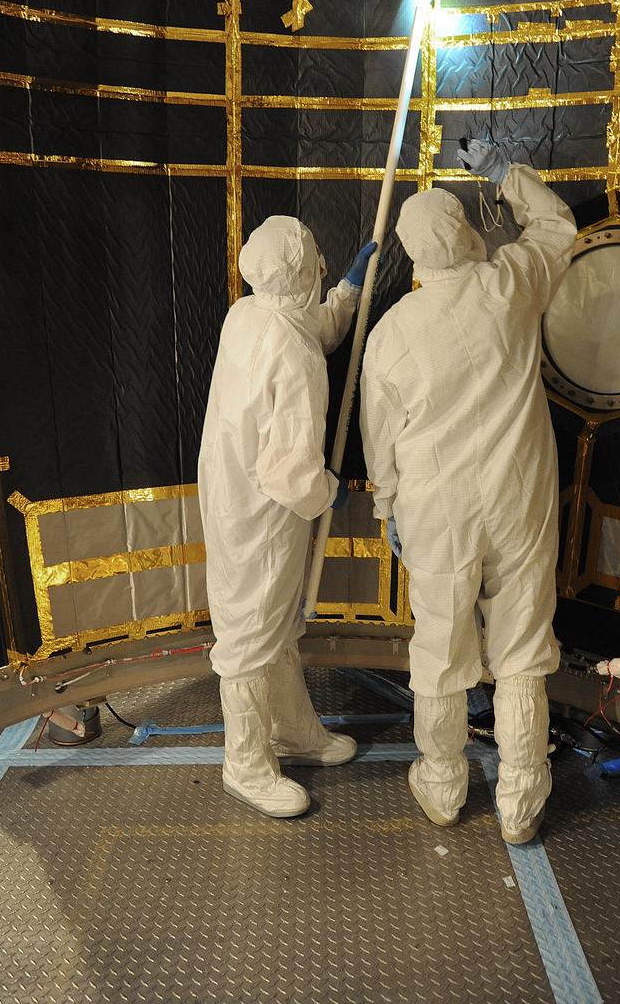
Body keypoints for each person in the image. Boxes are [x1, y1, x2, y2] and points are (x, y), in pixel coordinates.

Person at [360, 141, 577, 843]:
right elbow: (556, 229)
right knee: (520, 649)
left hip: (436, 513)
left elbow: (378, 439)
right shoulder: (508, 284)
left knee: (442, 651)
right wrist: (505, 173)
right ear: (464, 230)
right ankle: (521, 802)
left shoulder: (392, 332)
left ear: (412, 254)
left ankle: (444, 786)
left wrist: (386, 507)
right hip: (519, 502)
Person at [199, 217, 377, 819]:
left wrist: (348, 294)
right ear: (299, 273)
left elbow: (309, 323)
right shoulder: (293, 354)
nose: (323, 268)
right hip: (267, 515)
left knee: (272, 625)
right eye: (318, 266)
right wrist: (330, 492)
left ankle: (293, 733)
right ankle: (245, 765)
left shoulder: (246, 314)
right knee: (251, 634)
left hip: (234, 500)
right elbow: (287, 469)